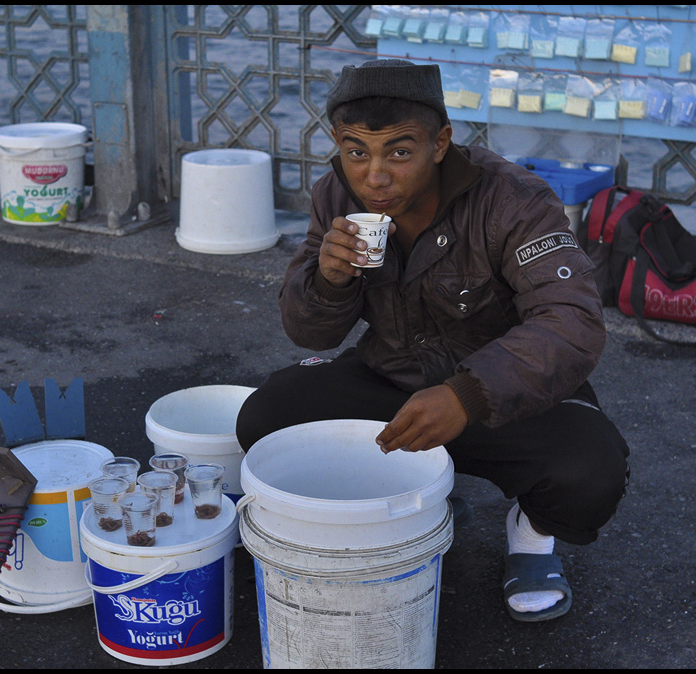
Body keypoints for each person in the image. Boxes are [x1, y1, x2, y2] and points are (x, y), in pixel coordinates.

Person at [235, 58, 630, 622]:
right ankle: (419, 505)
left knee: (592, 467)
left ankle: (532, 535)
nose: (374, 176)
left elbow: (571, 322)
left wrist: (467, 394)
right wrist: (326, 280)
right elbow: (308, 332)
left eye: (399, 152)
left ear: (440, 143)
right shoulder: (334, 197)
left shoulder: (514, 200)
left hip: (500, 395)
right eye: (356, 152)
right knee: (266, 418)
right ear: (338, 145)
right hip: (391, 379)